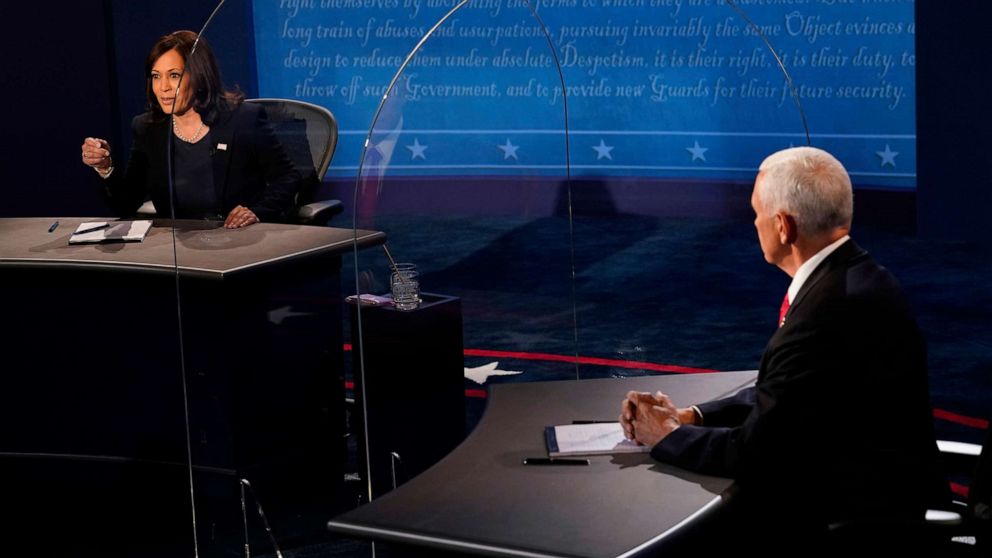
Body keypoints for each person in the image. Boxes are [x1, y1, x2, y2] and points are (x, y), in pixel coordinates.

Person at [620, 146, 945, 549]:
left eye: (757, 213)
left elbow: (757, 454)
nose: (753, 222)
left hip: (852, 521)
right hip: (880, 494)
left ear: (783, 227)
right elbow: (793, 392)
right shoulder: (857, 276)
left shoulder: (824, 313)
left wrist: (666, 435)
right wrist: (693, 415)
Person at [80, 30, 300, 228]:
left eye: (174, 75)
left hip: (238, 243)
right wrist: (105, 167)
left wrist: (256, 213)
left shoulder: (243, 119)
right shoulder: (148, 129)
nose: (163, 87)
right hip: (179, 251)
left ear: (199, 76)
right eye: (156, 77)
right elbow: (125, 204)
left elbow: (287, 178)